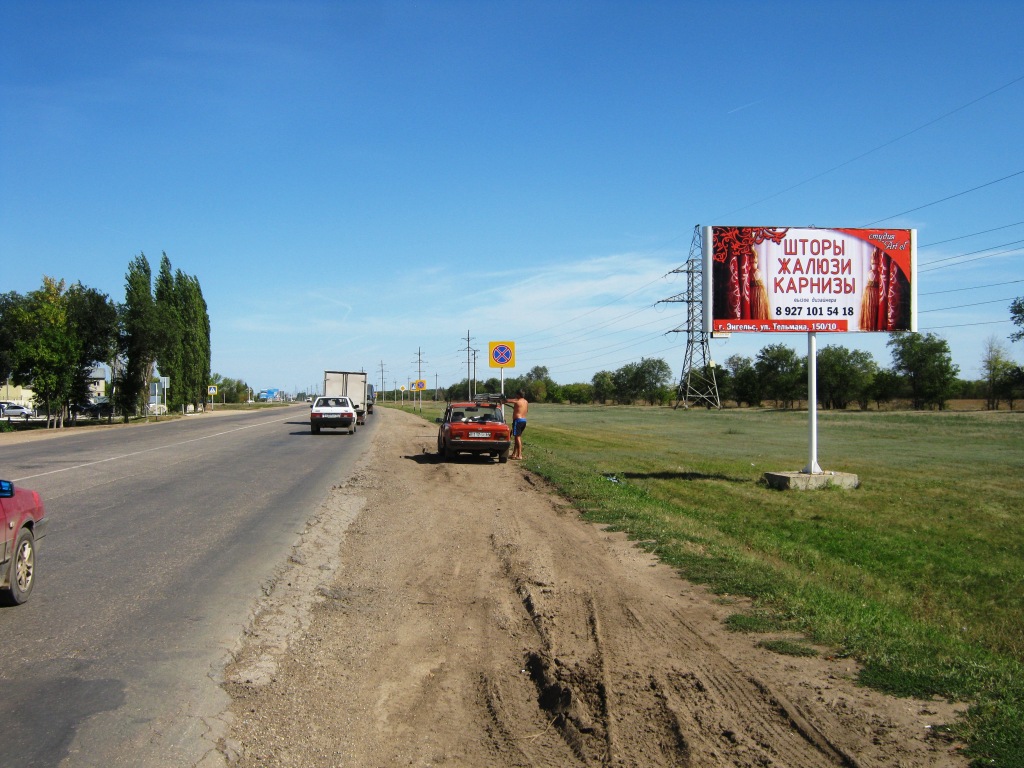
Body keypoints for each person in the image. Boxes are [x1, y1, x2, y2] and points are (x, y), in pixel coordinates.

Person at [502, 390, 529, 460]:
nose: (515, 396)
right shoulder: (526, 402)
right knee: (517, 437)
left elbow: (507, 400)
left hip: (518, 421)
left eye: (516, 394)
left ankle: (519, 455)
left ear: (518, 395)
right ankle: (514, 454)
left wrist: (503, 401)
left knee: (517, 438)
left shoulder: (517, 401)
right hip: (523, 421)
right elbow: (526, 410)